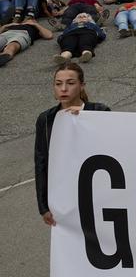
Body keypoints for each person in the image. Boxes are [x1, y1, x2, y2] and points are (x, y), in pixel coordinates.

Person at [34, 63, 111, 226]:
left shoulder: (99, 111)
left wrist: (86, 118)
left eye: (70, 83)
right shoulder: (46, 119)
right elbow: (41, 163)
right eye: (58, 84)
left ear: (82, 86)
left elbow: (114, 147)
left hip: (97, 192)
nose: (63, 89)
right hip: (64, 197)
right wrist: (43, 206)